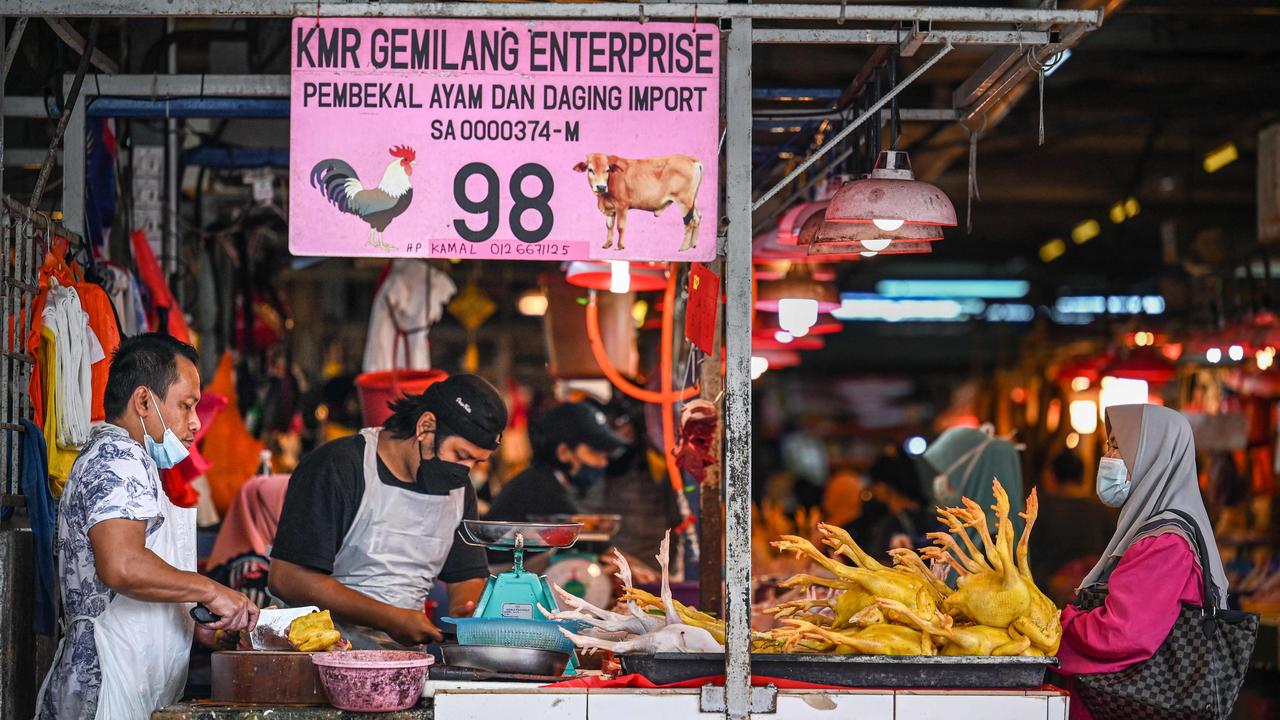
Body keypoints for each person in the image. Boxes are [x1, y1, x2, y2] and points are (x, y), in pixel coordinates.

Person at [37, 333, 259, 720]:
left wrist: (187, 620)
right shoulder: (118, 457)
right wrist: (210, 591)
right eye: (186, 406)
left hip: (123, 678)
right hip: (106, 685)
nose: (194, 423)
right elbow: (122, 565)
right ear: (143, 401)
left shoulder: (124, 457)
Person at [268, 375, 506, 649]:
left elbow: (466, 578)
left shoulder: (460, 489)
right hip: (318, 655)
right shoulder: (339, 467)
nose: (467, 471)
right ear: (426, 427)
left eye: (477, 461)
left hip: (405, 663)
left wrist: (469, 612)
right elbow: (287, 578)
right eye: (461, 455)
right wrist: (391, 618)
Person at [1055, 404, 1230, 720]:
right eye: (1108, 445)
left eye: (1117, 446)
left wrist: (1059, 624)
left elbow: (1124, 633)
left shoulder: (1165, 542)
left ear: (1153, 455)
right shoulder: (1152, 531)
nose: (1107, 457)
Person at [485, 401, 627, 522]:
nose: (603, 463)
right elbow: (599, 548)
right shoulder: (541, 490)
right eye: (595, 452)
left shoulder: (540, 479)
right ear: (563, 452)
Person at [1031, 450, 1117, 606]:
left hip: (1049, 600)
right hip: (1093, 598)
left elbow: (1031, 557)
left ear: (1052, 476)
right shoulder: (1101, 509)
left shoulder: (1040, 508)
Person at [923, 423, 1025, 538]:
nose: (940, 480)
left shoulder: (993, 537)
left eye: (946, 473)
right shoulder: (969, 526)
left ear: (971, 474)